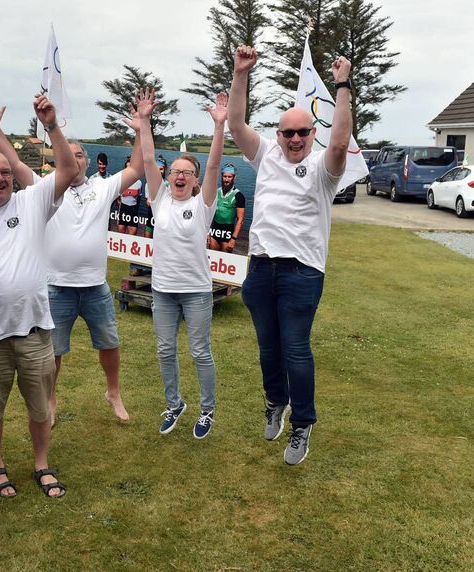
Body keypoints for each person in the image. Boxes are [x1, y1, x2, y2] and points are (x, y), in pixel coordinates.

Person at [0, 96, 143, 427]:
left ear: (88, 161)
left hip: (95, 286)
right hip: (57, 286)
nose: (75, 159)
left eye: (80, 154)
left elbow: (136, 168)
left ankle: (113, 392)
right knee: (54, 353)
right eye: (70, 154)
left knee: (110, 343)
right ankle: (50, 399)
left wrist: (142, 129)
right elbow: (13, 162)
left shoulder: (102, 188)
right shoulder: (43, 188)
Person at [227, 45, 352, 465]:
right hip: (261, 270)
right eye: (287, 133)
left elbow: (339, 144)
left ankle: (302, 424)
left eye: (301, 132)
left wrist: (343, 86)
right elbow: (236, 123)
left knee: (296, 348)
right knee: (268, 349)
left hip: (302, 273)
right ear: (278, 135)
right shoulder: (265, 155)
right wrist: (240, 73)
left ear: (311, 133)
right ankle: (275, 403)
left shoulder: (322, 167)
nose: (294, 139)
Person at [0, 94, 78, 498]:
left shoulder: (31, 201)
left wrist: (51, 125)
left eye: (4, 171)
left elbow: (68, 170)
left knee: (39, 406)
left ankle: (41, 464)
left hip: (34, 331)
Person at [137, 88, 228, 439]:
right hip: (163, 291)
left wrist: (219, 126)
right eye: (174, 170)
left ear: (194, 179)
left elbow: (216, 164)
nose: (179, 175)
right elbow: (147, 161)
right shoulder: (159, 198)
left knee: (200, 351)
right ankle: (174, 404)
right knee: (164, 350)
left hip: (196, 292)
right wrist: (145, 122)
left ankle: (207, 410)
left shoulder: (203, 204)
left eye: (186, 172)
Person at [207, 164, 246, 252]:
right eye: (225, 176)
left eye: (229, 177)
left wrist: (233, 239)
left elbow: (240, 220)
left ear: (234, 177)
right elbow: (209, 213)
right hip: (215, 230)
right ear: (221, 176)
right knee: (212, 258)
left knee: (225, 259)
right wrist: (207, 232)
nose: (226, 179)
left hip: (228, 232)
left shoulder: (239, 196)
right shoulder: (215, 192)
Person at [117, 156, 142, 235]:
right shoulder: (121, 182)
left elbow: (139, 199)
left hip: (133, 211)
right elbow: (117, 198)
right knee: (120, 236)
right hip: (123, 209)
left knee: (132, 236)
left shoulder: (139, 183)